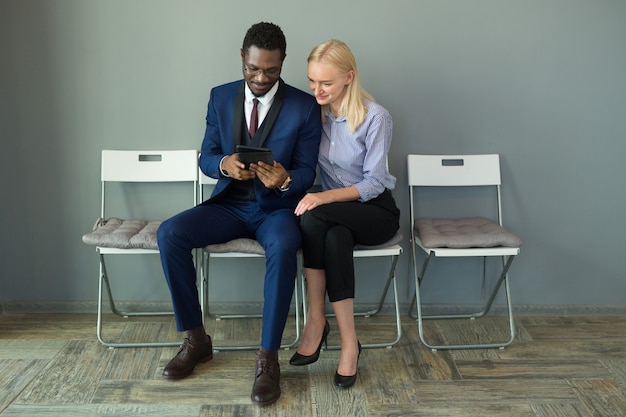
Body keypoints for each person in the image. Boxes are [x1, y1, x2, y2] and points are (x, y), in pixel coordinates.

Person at [157, 22, 321, 406]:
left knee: (283, 249)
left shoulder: (305, 106)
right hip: (229, 204)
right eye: (253, 69)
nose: (261, 78)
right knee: (169, 234)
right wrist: (223, 165)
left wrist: (285, 180)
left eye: (271, 70)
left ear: (282, 63)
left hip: (276, 210)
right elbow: (206, 156)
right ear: (242, 60)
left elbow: (308, 170)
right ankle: (197, 340)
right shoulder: (219, 97)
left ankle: (268, 359)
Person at [288, 39, 400, 389]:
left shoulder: (375, 117)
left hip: (375, 211)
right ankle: (349, 343)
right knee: (334, 237)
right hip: (337, 216)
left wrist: (324, 199)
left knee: (314, 215)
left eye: (326, 83)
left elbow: (374, 183)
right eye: (311, 81)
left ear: (349, 77)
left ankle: (315, 321)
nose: (316, 90)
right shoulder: (314, 117)